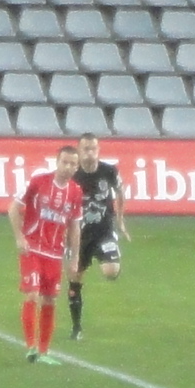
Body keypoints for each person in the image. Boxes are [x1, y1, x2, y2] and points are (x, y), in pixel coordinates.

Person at [8, 143, 81, 363]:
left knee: (49, 300)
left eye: (72, 164)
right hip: (32, 247)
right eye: (64, 162)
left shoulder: (76, 192)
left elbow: (75, 226)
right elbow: (13, 208)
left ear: (76, 167)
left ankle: (44, 351)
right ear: (56, 162)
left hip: (54, 253)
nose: (68, 167)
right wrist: (20, 237)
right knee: (32, 294)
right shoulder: (38, 181)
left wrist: (75, 256)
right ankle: (31, 347)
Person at [64, 138, 125, 342]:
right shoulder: (73, 176)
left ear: (98, 150)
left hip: (104, 231)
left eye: (93, 149)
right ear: (79, 152)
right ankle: (76, 327)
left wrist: (120, 220)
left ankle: (110, 250)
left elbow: (120, 192)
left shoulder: (109, 171)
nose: (90, 153)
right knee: (75, 277)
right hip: (79, 235)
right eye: (85, 149)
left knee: (111, 271)